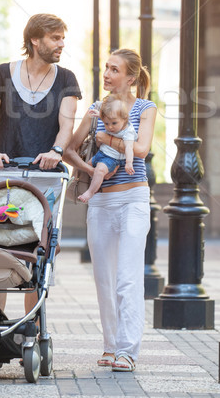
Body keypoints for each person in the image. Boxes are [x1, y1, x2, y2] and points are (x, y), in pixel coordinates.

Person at [0, 13, 82, 368]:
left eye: (62, 38)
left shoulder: (66, 80)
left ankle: (30, 329)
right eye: (55, 38)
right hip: (4, 175)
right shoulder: (3, 74)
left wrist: (55, 151)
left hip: (46, 178)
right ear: (35, 40)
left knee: (35, 252)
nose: (61, 45)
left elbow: (66, 123)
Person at [65, 48, 156, 372]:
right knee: (104, 277)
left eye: (114, 69)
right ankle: (110, 345)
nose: (106, 74)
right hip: (101, 201)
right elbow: (69, 150)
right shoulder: (93, 109)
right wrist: (91, 172)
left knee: (128, 277)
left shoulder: (145, 108)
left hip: (133, 198)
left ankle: (127, 350)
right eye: (105, 67)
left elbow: (142, 150)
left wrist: (105, 136)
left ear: (130, 77)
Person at [78, 93, 137, 203]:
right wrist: (99, 114)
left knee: (99, 170)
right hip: (101, 153)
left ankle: (90, 192)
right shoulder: (113, 119)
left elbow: (129, 147)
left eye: (114, 123)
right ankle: (98, 181)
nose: (110, 127)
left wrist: (129, 163)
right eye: (106, 123)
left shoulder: (128, 132)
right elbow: (109, 117)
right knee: (89, 167)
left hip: (112, 158)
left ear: (125, 119)